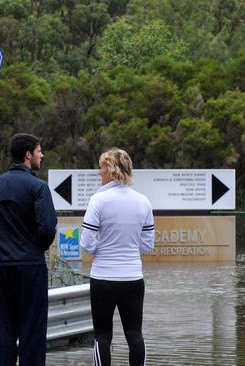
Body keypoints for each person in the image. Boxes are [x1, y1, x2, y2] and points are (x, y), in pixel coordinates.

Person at [0, 133, 57, 365]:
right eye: (38, 150)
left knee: (4, 330)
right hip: (31, 268)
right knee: (32, 332)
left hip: (3, 268)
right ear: (28, 155)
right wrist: (35, 249)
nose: (41, 155)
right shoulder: (38, 187)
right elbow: (47, 229)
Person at [80, 148, 155, 366]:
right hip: (132, 278)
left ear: (111, 170)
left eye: (102, 166)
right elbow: (147, 245)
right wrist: (129, 252)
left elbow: (86, 242)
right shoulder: (143, 201)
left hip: (103, 277)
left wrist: (100, 252)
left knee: (102, 336)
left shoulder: (98, 200)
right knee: (135, 335)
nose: (99, 171)